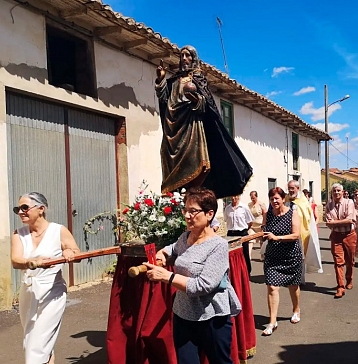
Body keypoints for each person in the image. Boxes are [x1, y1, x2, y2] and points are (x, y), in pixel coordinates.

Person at [145, 187, 241, 364]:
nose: (187, 216)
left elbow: (203, 286)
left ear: (209, 214)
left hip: (212, 318)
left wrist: (166, 276)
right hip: (183, 315)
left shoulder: (217, 246)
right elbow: (173, 248)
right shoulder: (186, 237)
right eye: (186, 211)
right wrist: (162, 255)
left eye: (193, 211)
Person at [155, 45, 252, 198]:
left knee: (199, 163)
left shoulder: (199, 80)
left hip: (192, 127)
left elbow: (207, 105)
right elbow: (163, 99)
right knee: (166, 155)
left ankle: (191, 194)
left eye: (188, 56)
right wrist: (160, 80)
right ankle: (177, 197)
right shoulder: (173, 81)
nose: (185, 59)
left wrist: (197, 100)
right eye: (182, 56)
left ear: (194, 59)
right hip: (173, 127)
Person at [10, 192, 81, 364]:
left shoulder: (58, 230)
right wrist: (32, 262)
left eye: (25, 207)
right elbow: (15, 261)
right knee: (31, 340)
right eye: (18, 209)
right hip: (28, 293)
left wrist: (68, 252)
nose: (20, 212)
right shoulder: (18, 234)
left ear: (41, 209)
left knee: (37, 346)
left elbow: (76, 253)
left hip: (52, 294)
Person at [261, 187, 303, 336]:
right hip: (273, 257)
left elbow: (296, 235)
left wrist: (277, 237)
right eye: (272, 199)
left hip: (291, 256)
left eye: (277, 198)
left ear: (283, 199)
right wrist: (262, 236)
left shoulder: (293, 213)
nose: (274, 201)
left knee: (293, 285)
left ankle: (296, 309)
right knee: (272, 287)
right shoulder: (268, 214)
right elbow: (264, 229)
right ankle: (272, 322)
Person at [325, 183, 356, 298]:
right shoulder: (329, 204)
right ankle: (340, 286)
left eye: (338, 190)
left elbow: (350, 220)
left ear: (342, 192)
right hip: (336, 236)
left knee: (350, 261)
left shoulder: (349, 202)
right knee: (338, 262)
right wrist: (338, 222)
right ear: (331, 192)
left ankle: (349, 279)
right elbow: (328, 222)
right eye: (334, 191)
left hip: (349, 235)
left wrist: (335, 222)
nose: (336, 193)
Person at [286, 180, 323, 277]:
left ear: (297, 189)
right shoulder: (286, 200)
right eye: (289, 188)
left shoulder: (303, 201)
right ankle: (289, 276)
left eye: (292, 188)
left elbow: (308, 218)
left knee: (300, 255)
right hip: (287, 232)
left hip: (302, 233)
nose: (290, 190)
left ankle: (299, 278)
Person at [224, 195, 254, 274]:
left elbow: (250, 221)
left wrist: (245, 230)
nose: (233, 198)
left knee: (244, 253)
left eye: (235, 196)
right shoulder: (227, 208)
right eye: (232, 196)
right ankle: (234, 272)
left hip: (242, 233)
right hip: (231, 233)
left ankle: (247, 271)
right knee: (231, 254)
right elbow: (226, 220)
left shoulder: (244, 207)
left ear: (239, 196)